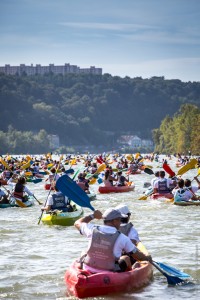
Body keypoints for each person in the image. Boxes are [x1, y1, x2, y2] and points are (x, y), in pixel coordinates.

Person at [74, 208, 152, 273]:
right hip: (109, 271)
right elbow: (138, 256)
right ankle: (129, 274)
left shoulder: (91, 229)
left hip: (88, 267)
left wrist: (93, 216)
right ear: (114, 221)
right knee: (125, 258)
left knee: (84, 252)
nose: (120, 222)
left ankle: (82, 268)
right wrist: (147, 258)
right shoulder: (122, 238)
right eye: (119, 220)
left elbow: (77, 223)